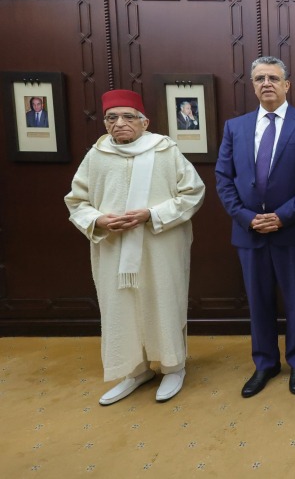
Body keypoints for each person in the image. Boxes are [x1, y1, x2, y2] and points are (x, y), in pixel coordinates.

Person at [65, 89, 205, 405]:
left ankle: (173, 367)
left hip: (160, 246)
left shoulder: (165, 151)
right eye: (111, 118)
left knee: (163, 302)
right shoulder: (96, 156)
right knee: (120, 308)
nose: (119, 123)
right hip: (113, 249)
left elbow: (193, 193)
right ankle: (134, 370)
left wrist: (151, 214)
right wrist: (98, 220)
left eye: (128, 116)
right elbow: (76, 201)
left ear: (144, 122)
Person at [215, 56, 295, 398]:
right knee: (258, 302)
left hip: (292, 231)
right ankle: (265, 363)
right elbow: (223, 178)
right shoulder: (235, 127)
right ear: (252, 85)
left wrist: (282, 216)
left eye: (274, 78)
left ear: (286, 84)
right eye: (260, 78)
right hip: (249, 232)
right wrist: (246, 217)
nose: (267, 83)